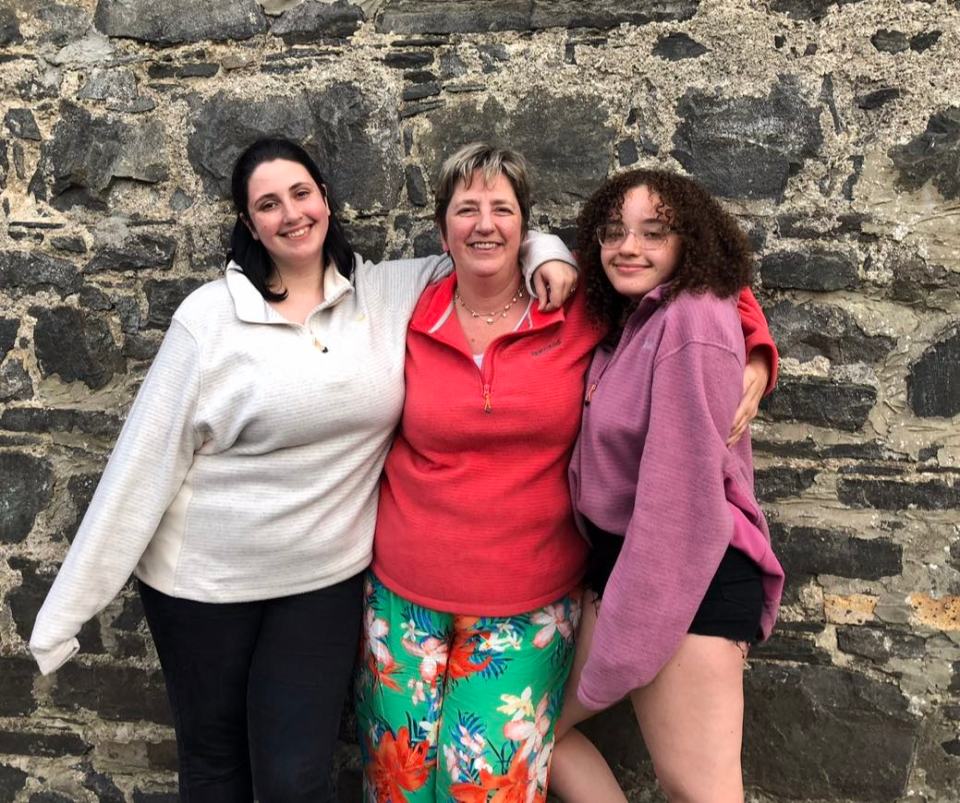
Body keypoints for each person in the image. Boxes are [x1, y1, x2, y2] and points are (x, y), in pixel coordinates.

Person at [27, 137, 578, 803]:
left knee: (295, 779)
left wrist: (549, 249)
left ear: (325, 201)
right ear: (248, 222)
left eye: (300, 193)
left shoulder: (382, 290)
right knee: (215, 766)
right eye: (267, 203)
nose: (289, 213)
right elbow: (140, 467)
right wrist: (63, 618)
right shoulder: (210, 318)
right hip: (203, 585)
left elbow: (480, 247)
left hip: (319, 579)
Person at [354, 145, 779, 803]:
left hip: (582, 590)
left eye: (503, 209)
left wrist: (756, 343)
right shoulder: (406, 304)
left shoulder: (591, 307)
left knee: (503, 780)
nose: (485, 223)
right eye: (467, 209)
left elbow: (704, 287)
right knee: (407, 777)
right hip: (416, 590)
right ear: (442, 232)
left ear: (526, 230)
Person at [550, 169, 786, 803]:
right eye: (614, 232)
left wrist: (629, 636)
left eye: (654, 233)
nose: (629, 247)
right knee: (534, 733)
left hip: (687, 578)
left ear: (690, 244)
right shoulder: (630, 317)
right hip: (625, 570)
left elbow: (680, 504)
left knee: (698, 790)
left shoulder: (693, 321)